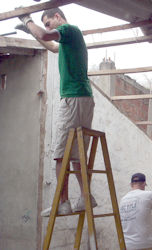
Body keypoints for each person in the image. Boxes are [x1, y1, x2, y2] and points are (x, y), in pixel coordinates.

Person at [16, 8, 96, 216]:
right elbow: (51, 46)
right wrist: (31, 32)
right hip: (83, 98)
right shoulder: (69, 40)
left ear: (58, 17)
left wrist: (27, 21)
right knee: (77, 154)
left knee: (61, 154)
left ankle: (63, 202)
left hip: (73, 98)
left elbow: (43, 35)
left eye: (48, 23)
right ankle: (86, 197)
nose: (47, 27)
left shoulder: (69, 29)